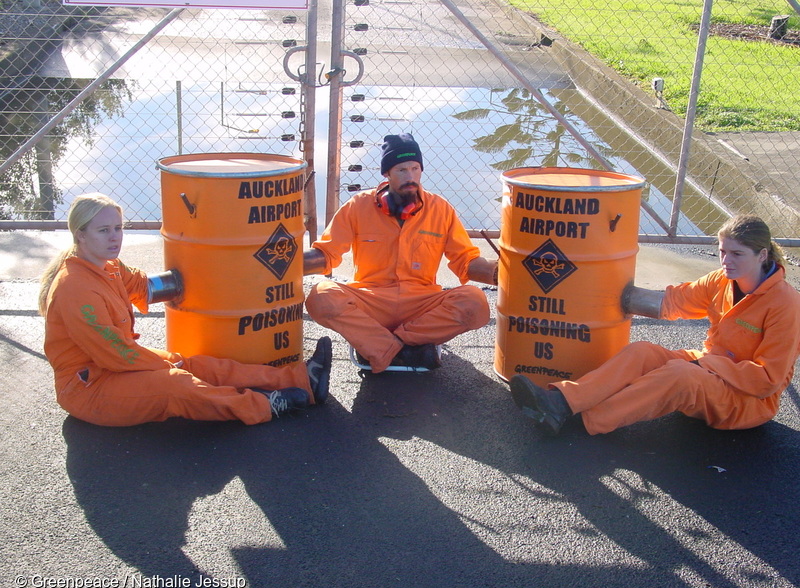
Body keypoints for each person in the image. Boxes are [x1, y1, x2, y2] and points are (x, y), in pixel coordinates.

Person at [39, 193, 332, 427]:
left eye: (118, 228)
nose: (115, 237)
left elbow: (141, 284)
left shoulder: (109, 268)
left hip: (113, 368)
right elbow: (117, 354)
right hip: (88, 389)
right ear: (80, 235)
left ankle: (302, 380)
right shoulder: (75, 288)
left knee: (194, 365)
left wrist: (224, 268)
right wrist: (166, 367)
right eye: (104, 231)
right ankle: (264, 406)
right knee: (176, 383)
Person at [510, 214, 800, 436]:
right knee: (642, 351)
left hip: (747, 401)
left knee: (679, 373)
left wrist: (706, 367)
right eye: (723, 251)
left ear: (762, 255)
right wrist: (596, 294)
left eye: (737, 254)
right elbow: (671, 303)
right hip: (709, 368)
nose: (726, 261)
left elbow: (768, 380)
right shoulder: (721, 280)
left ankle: (586, 421)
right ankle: (561, 401)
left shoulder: (786, 304)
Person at [303, 133, 498, 373]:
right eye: (402, 170)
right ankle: (405, 351)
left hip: (421, 304)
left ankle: (379, 348)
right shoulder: (357, 206)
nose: (411, 177)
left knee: (475, 302)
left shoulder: (441, 209)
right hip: (370, 300)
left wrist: (500, 272)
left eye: (415, 169)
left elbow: (465, 261)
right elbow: (327, 253)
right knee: (321, 296)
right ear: (386, 173)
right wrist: (289, 262)